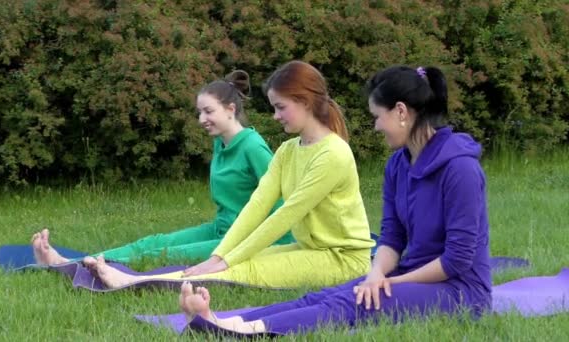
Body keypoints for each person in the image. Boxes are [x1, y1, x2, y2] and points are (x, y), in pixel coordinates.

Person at [176, 65, 492, 335]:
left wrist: (389, 283)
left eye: (377, 116)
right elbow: (392, 237)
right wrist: (378, 273)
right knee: (321, 297)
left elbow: (457, 260)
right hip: (411, 273)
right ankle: (226, 321)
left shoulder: (460, 168)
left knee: (352, 301)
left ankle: (243, 333)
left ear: (400, 112)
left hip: (461, 291)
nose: (375, 126)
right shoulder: (398, 164)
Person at [84, 60, 376, 289]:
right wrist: (219, 256)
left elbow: (286, 214)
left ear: (305, 102)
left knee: (242, 269)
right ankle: (138, 277)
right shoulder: (288, 150)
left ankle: (133, 282)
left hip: (343, 260)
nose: (275, 116)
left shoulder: (333, 154)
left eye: (280, 107)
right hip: (309, 248)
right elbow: (257, 205)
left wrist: (225, 259)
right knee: (234, 262)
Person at [30, 70, 294, 266]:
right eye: (199, 112)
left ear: (230, 109)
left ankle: (72, 266)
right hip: (221, 229)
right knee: (154, 242)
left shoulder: (253, 147)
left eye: (208, 111)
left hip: (243, 240)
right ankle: (86, 260)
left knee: (163, 256)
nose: (202, 119)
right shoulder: (220, 144)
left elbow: (279, 201)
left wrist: (267, 246)